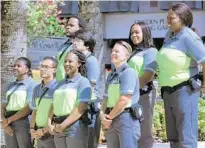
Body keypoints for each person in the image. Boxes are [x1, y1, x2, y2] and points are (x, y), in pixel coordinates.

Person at [156, 3, 205, 148]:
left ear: (183, 18)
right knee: (174, 138)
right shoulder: (169, 35)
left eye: (171, 18)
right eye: (167, 18)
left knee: (186, 138)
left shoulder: (189, 37)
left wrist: (203, 85)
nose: (168, 22)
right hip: (168, 91)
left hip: (185, 91)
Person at [47, 50, 92, 148]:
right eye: (65, 61)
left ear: (79, 63)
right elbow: (53, 105)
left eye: (70, 61)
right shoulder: (59, 83)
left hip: (74, 128)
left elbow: (81, 108)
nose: (66, 64)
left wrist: (63, 125)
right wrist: (49, 123)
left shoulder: (83, 82)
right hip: (57, 127)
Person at [101, 41, 141, 148]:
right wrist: (102, 116)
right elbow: (106, 98)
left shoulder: (129, 72)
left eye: (117, 51)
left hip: (125, 119)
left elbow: (124, 100)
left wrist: (108, 118)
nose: (113, 53)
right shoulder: (111, 75)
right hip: (112, 118)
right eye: (112, 51)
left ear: (126, 56)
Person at [128, 21, 158, 148]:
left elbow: (147, 76)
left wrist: (130, 92)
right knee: (132, 131)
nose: (133, 35)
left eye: (137, 32)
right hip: (130, 96)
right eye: (131, 33)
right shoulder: (132, 52)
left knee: (144, 130)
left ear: (145, 33)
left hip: (143, 94)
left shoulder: (151, 51)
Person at [1, 57, 38, 148]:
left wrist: (8, 120)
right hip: (8, 122)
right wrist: (4, 122)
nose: (15, 68)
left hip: (23, 122)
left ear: (27, 69)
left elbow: (28, 107)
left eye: (18, 66)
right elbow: (2, 105)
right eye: (14, 66)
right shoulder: (9, 85)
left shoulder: (32, 85)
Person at [72, 35, 101, 148]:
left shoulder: (91, 60)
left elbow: (92, 85)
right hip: (82, 103)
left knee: (90, 140)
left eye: (78, 41)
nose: (74, 43)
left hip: (90, 106)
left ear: (87, 46)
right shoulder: (82, 61)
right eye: (74, 40)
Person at [30, 57, 58, 148]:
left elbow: (60, 116)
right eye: (41, 66)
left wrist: (44, 130)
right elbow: (35, 111)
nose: (42, 69)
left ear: (54, 70)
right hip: (38, 133)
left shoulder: (59, 88)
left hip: (52, 134)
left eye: (46, 67)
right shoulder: (36, 89)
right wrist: (32, 129)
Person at [56, 16, 86, 81]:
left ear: (80, 28)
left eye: (71, 25)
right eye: (67, 25)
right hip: (59, 84)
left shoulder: (81, 46)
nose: (67, 27)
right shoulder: (64, 45)